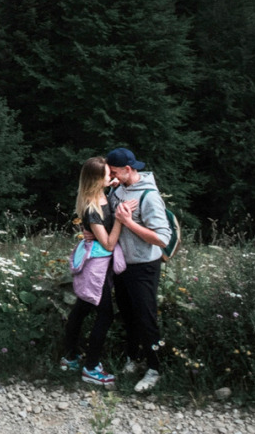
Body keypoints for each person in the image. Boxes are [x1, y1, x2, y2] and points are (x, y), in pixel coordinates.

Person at [106, 146, 173, 394]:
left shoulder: (149, 197)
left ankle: (155, 368)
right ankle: (132, 358)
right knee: (128, 313)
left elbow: (162, 239)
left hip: (144, 265)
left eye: (114, 171)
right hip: (122, 264)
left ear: (128, 169)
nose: (111, 175)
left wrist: (129, 223)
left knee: (146, 317)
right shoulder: (119, 188)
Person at [61, 156, 123, 387]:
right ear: (97, 180)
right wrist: (121, 220)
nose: (113, 176)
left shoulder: (102, 194)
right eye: (109, 174)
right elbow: (108, 243)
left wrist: (114, 185)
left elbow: (111, 187)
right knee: (104, 314)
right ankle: (91, 368)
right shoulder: (91, 208)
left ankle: (70, 356)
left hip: (101, 265)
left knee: (82, 307)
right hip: (95, 267)